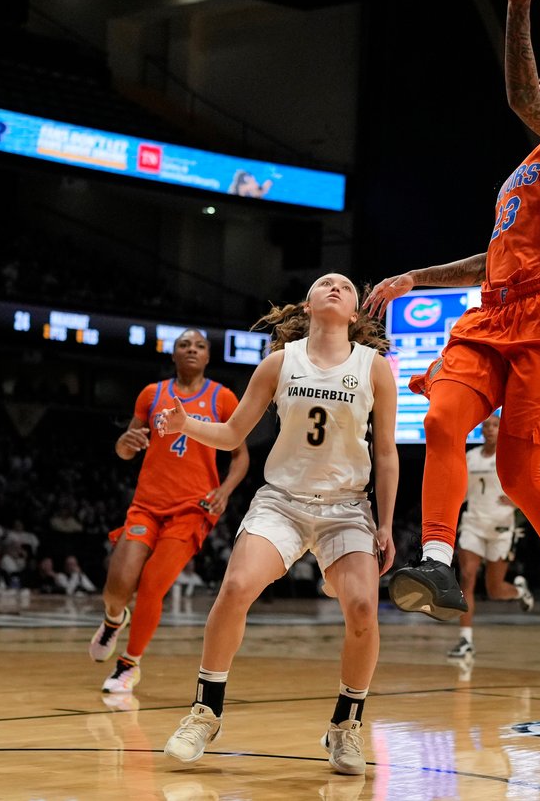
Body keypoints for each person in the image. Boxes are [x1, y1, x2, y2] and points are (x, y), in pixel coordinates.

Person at [362, 0, 540, 653]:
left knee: (516, 470)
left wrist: (519, 4)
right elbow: (492, 260)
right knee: (442, 419)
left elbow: (515, 90)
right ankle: (438, 564)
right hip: (495, 312)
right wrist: (417, 276)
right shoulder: (526, 169)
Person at [161, 274, 398, 776]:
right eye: (324, 283)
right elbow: (230, 434)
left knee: (362, 608)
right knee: (237, 587)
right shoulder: (278, 363)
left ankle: (346, 725)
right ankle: (206, 711)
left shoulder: (375, 368)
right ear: (309, 304)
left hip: (346, 506)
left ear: (355, 313)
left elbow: (386, 452)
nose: (335, 286)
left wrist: (386, 524)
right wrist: (186, 425)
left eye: (346, 286)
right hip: (283, 502)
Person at [89, 329, 250, 694]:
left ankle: (128, 665)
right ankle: (114, 620)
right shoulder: (152, 393)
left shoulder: (222, 397)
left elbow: (240, 455)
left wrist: (224, 491)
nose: (192, 350)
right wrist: (123, 443)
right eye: (184, 345)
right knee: (117, 587)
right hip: (147, 504)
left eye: (200, 346)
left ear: (208, 357)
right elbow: (127, 449)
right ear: (173, 354)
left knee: (151, 587)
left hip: (192, 509)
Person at [446, 413, 535, 661]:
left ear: (502, 429)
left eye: (495, 425)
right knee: (467, 577)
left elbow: (530, 489)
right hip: (473, 524)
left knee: (495, 590)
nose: (490, 429)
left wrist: (517, 501)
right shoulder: (471, 457)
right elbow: (460, 492)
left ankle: (519, 592)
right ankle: (465, 640)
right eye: (486, 425)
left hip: (501, 527)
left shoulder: (510, 458)